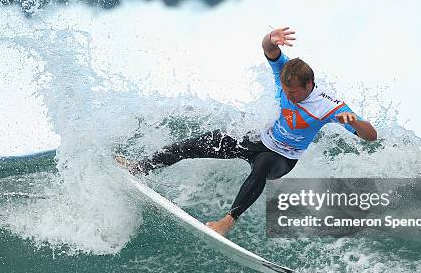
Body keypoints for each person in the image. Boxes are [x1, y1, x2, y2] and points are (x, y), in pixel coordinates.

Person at [117, 26, 377, 236]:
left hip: (284, 159)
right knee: (199, 143)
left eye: (294, 93)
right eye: (286, 92)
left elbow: (370, 136)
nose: (289, 97)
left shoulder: (329, 106)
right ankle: (139, 167)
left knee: (262, 164)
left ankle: (227, 222)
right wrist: (270, 38)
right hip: (261, 140)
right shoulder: (284, 74)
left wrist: (355, 123)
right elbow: (269, 49)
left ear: (309, 84)